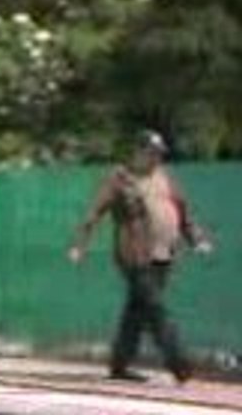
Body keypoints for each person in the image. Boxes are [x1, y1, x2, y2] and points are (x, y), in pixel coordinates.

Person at [68, 130, 213, 384]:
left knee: (136, 311)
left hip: (164, 255)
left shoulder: (165, 178)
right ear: (137, 152)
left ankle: (119, 365)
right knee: (156, 309)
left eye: (159, 154)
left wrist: (196, 239)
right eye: (151, 153)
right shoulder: (120, 178)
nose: (156, 158)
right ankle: (179, 364)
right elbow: (94, 212)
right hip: (135, 256)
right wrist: (79, 245)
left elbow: (183, 213)